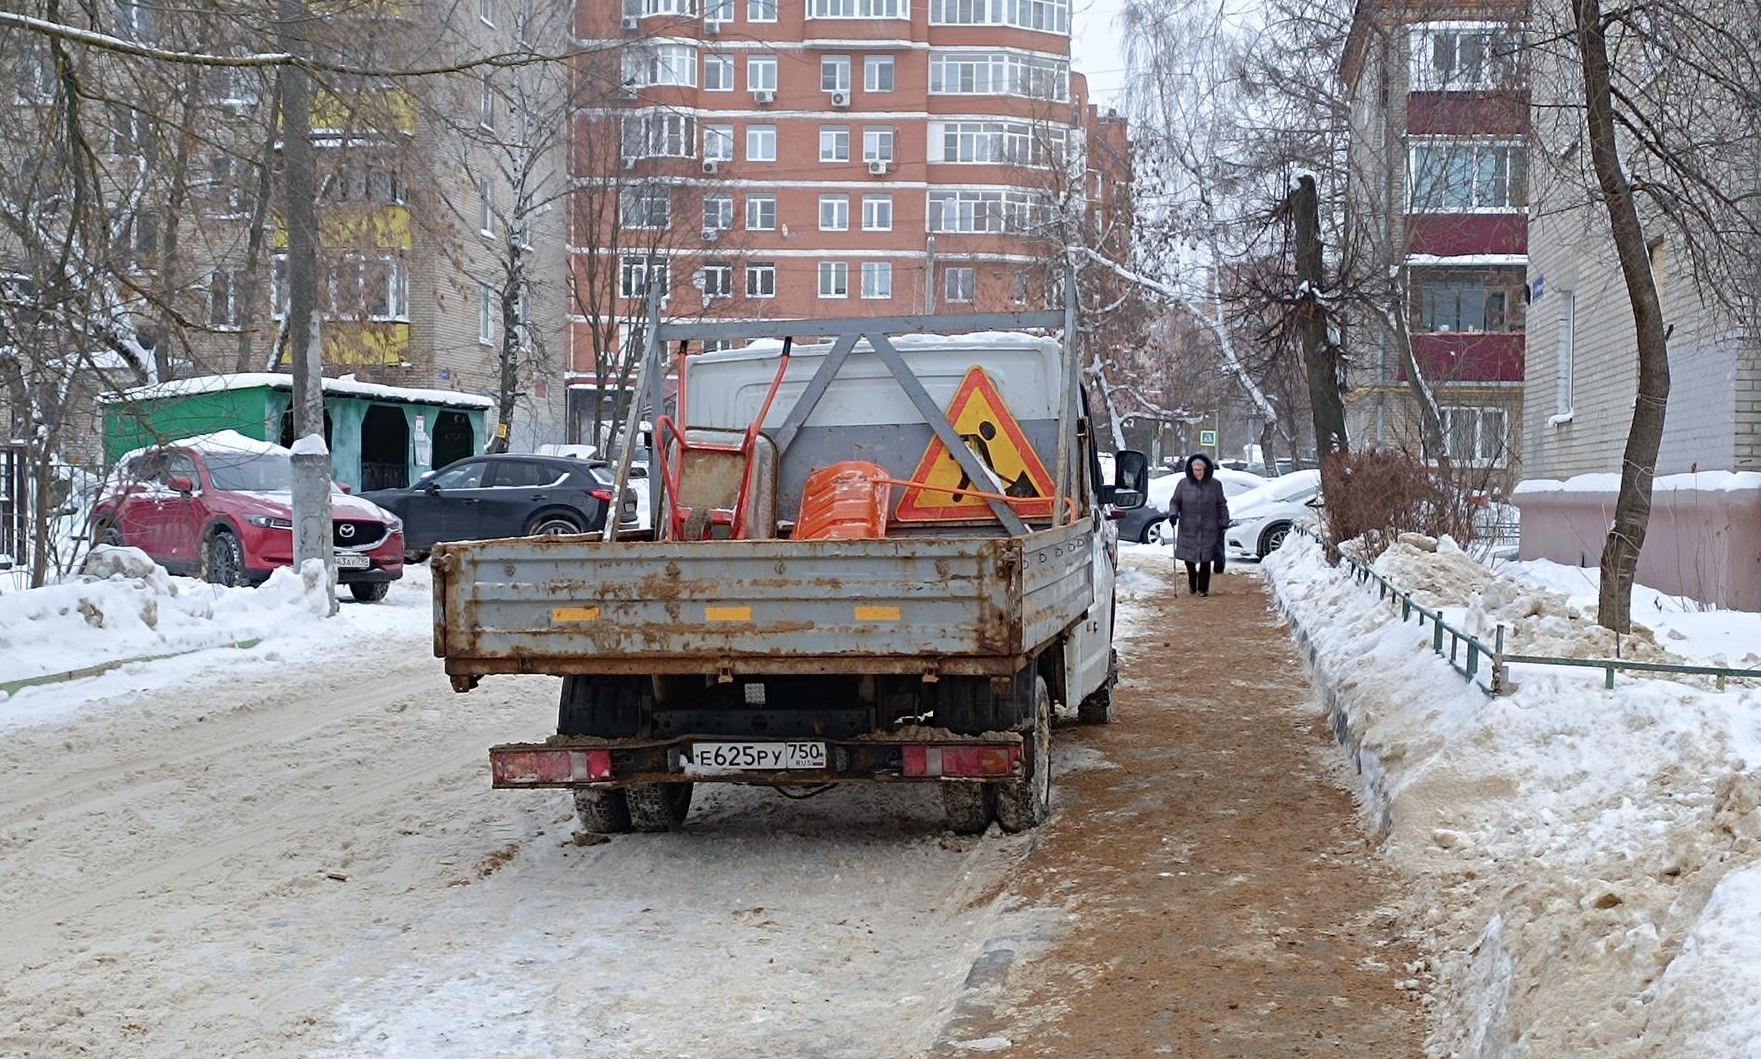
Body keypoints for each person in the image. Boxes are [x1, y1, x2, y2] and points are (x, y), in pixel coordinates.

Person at [1168, 452, 1230, 597]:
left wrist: (1224, 521)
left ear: (1206, 469)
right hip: (1188, 527)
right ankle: (1192, 580)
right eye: (1195, 470)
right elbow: (1175, 501)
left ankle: (1203, 589)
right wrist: (1173, 514)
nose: (1198, 473)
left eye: (1200, 470)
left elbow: (1222, 504)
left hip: (1209, 527)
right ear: (1191, 470)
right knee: (1189, 560)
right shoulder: (1183, 484)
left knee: (1206, 559)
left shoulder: (1215, 485)